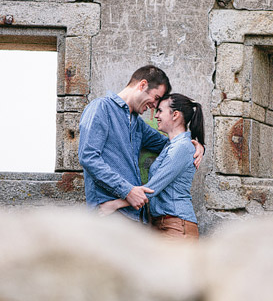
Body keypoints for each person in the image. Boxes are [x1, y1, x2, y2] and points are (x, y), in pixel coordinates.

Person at [78, 65, 204, 223]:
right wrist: (127, 191)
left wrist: (194, 145)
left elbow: (171, 145)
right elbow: (88, 157)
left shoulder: (137, 123)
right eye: (156, 98)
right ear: (142, 85)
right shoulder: (101, 108)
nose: (154, 106)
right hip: (108, 213)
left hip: (135, 216)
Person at [98, 93, 204, 240]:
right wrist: (196, 144)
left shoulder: (182, 148)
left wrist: (115, 204)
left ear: (175, 115)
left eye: (160, 111)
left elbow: (153, 188)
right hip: (164, 225)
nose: (156, 116)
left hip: (177, 227)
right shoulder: (175, 146)